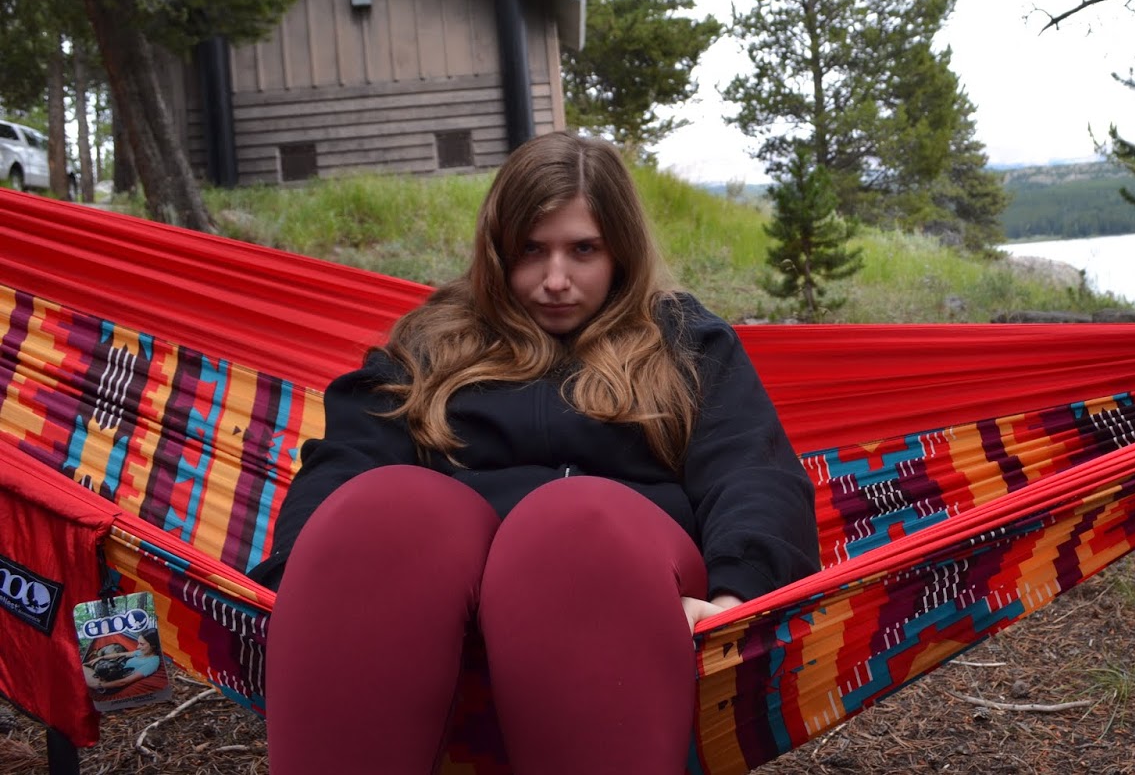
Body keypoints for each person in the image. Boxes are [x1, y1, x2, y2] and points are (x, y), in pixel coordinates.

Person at [249, 132, 821, 775]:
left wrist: (736, 597)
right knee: (387, 507)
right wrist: (297, 586)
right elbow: (345, 463)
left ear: (622, 249)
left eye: (583, 250)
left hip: (622, 589)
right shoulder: (431, 347)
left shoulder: (684, 345)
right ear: (498, 252)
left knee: (572, 524)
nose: (555, 281)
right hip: (430, 607)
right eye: (530, 250)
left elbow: (752, 472)